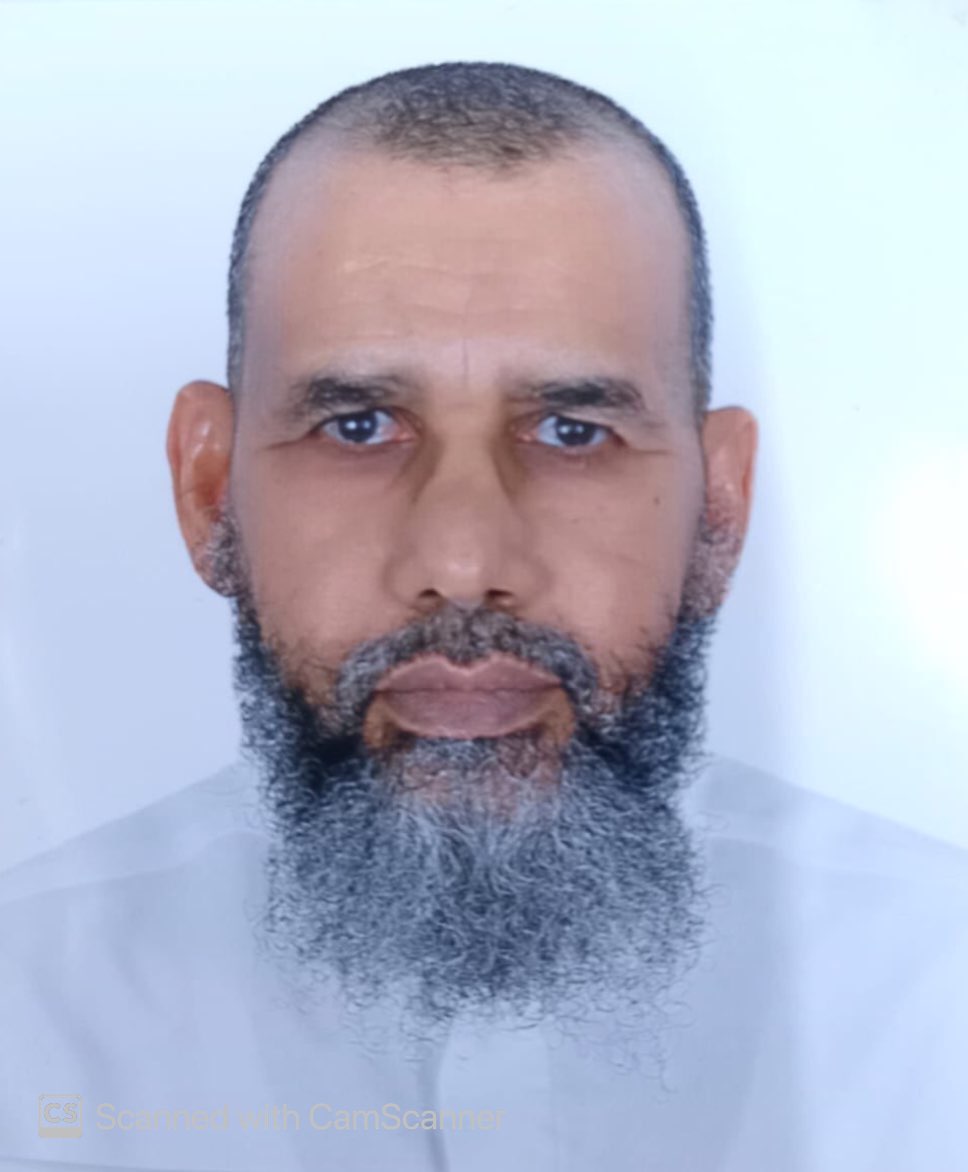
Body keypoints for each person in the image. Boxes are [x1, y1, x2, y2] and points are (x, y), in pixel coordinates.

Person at [1, 61, 966, 1172]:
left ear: (720, 508)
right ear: (209, 490)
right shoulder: (24, 1019)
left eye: (571, 432)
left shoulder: (936, 996)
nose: (462, 566)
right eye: (357, 426)